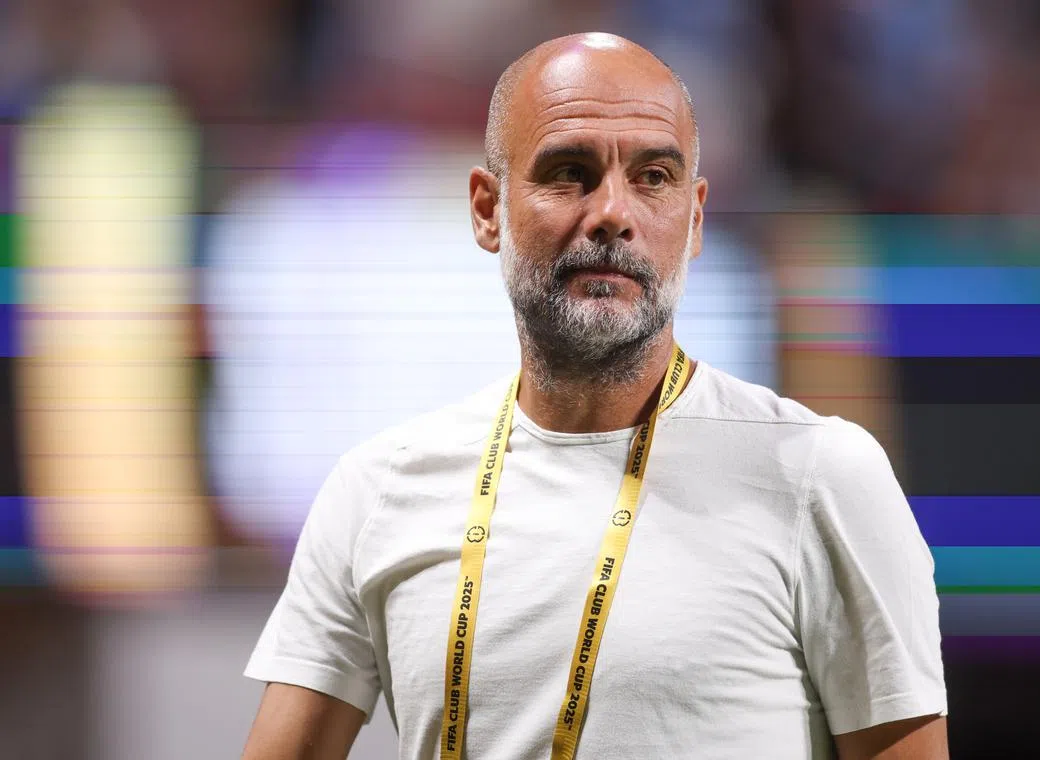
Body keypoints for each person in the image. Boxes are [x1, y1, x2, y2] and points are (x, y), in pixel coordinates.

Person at [240, 33, 948, 760]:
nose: (614, 211)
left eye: (653, 178)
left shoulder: (819, 476)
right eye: (571, 172)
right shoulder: (378, 490)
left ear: (696, 217)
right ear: (488, 210)